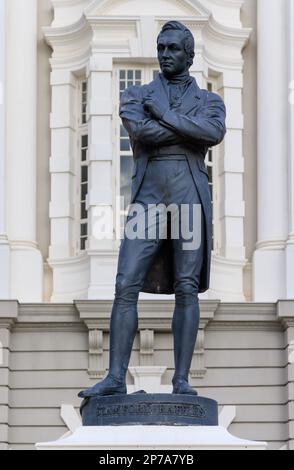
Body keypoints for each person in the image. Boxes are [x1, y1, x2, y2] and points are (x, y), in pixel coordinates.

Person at [79, 20, 226, 398]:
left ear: (189, 55)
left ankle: (181, 379)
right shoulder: (137, 93)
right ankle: (115, 377)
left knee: (187, 286)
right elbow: (141, 134)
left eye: (173, 48)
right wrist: (183, 129)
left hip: (189, 193)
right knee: (125, 282)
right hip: (149, 194)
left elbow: (212, 134)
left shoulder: (210, 101)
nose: (164, 54)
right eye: (161, 48)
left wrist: (162, 114)